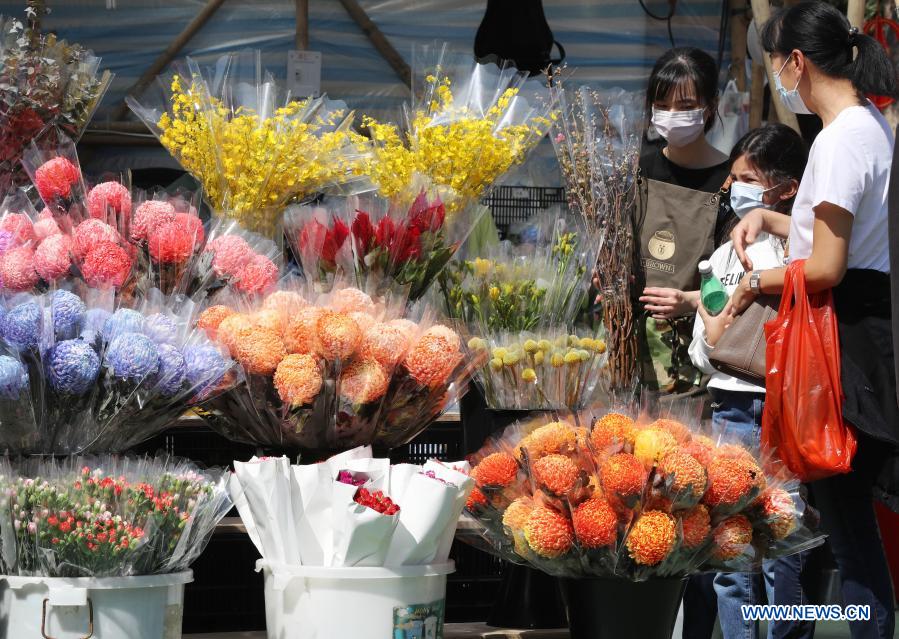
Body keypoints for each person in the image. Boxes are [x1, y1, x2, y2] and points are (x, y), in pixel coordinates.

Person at [729, 3, 899, 638]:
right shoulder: (871, 126)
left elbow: (826, 265)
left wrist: (752, 283)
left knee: (851, 536)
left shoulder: (838, 140)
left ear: (796, 63)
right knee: (849, 530)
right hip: (863, 332)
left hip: (840, 344)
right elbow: (842, 236)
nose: (779, 79)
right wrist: (771, 219)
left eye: (776, 66)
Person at [689, 124, 813, 639]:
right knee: (733, 541)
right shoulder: (722, 255)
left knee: (783, 543)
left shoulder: (806, 246)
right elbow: (710, 339)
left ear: (784, 188)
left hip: (789, 408)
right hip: (733, 407)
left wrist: (765, 275)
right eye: (733, 179)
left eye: (749, 179)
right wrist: (730, 296)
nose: (736, 189)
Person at [636, 46, 735, 395]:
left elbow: (740, 280)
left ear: (711, 105)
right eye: (662, 106)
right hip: (632, 349)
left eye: (685, 106)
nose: (671, 115)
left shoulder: (730, 182)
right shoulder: (640, 170)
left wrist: (690, 299)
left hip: (698, 355)